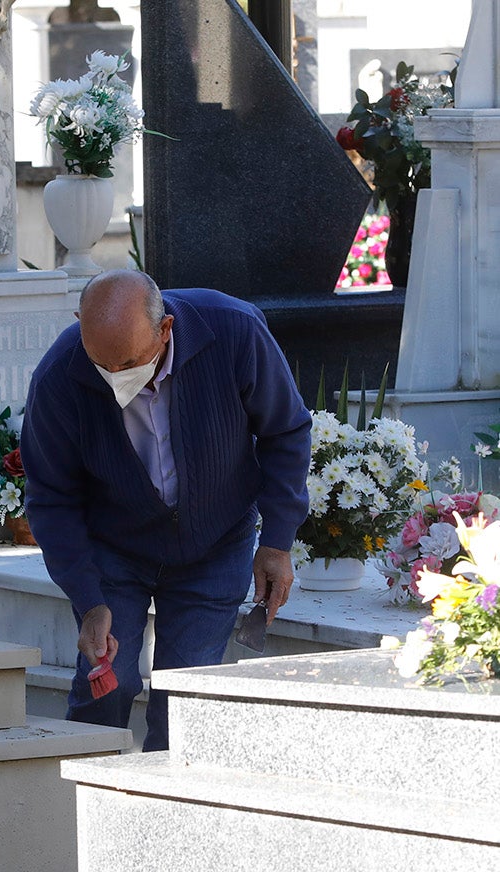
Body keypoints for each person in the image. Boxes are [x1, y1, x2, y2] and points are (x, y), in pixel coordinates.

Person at [20, 269, 311, 752]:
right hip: (115, 548)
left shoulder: (235, 331)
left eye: (131, 362)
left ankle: (166, 811)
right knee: (105, 685)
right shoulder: (59, 375)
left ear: (166, 329)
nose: (116, 378)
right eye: (102, 364)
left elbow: (285, 431)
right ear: (80, 324)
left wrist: (277, 540)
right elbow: (51, 497)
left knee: (185, 695)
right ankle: (81, 797)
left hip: (215, 544)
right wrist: (89, 600)